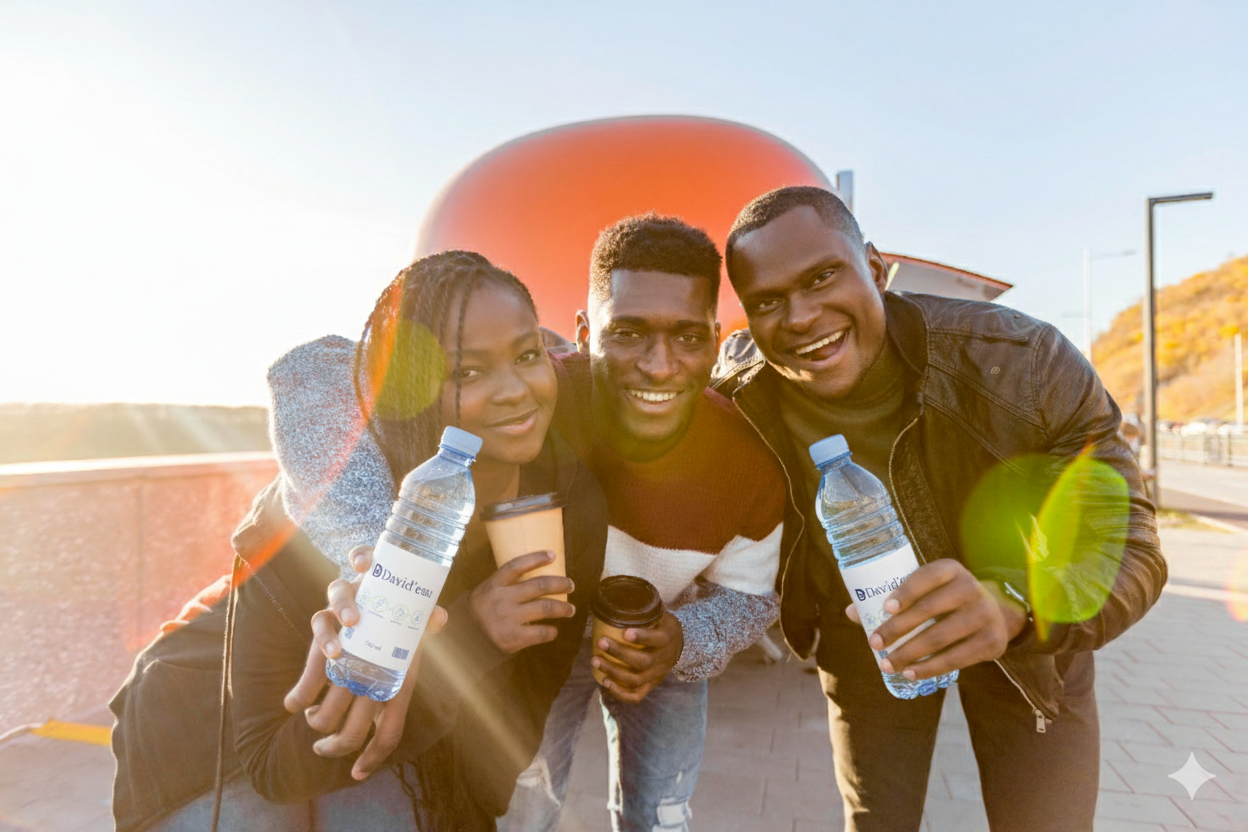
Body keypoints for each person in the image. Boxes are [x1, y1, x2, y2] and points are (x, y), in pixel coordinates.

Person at [308, 215, 787, 832]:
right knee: (525, 805)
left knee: (662, 817)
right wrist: (387, 575)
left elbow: (752, 597)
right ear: (584, 333)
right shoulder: (533, 394)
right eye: (629, 333)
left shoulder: (747, 463)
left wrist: (680, 642)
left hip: (661, 643)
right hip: (540, 640)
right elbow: (315, 370)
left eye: (688, 338)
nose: (660, 365)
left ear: (717, 339)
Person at [711, 186, 1167, 832]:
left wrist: (1017, 606)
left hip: (1031, 633)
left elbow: (1127, 545)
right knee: (878, 823)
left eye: (821, 277)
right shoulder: (739, 400)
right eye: (768, 302)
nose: (802, 316)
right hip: (869, 637)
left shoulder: (1024, 363)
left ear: (874, 268)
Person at [110, 251, 607, 831]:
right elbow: (274, 764)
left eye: (527, 355)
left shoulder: (568, 502)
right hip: (209, 734)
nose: (515, 391)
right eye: (466, 372)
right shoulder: (330, 501)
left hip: (385, 744)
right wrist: (454, 629)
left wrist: (461, 645)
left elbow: (508, 738)